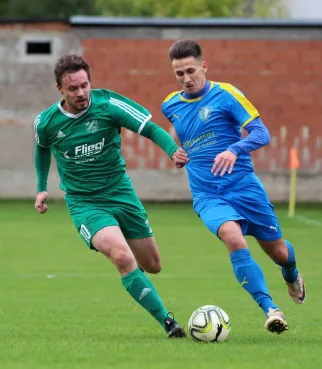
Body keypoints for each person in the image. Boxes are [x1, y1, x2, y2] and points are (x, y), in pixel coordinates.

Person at [33, 54, 189, 338]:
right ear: (60, 89)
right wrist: (42, 186)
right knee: (122, 257)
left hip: (120, 193)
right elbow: (42, 148)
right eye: (73, 88)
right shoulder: (47, 123)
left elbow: (150, 129)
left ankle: (136, 275)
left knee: (153, 265)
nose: (81, 93)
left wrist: (172, 151)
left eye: (84, 85)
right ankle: (168, 322)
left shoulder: (108, 105)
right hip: (84, 203)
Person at [161, 39, 305, 334]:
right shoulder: (170, 104)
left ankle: (290, 272)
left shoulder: (227, 95)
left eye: (190, 70)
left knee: (278, 252)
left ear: (204, 66)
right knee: (233, 237)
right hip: (207, 194)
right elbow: (176, 132)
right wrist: (174, 151)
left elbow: (261, 133)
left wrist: (234, 149)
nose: (186, 79)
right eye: (179, 74)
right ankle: (270, 308)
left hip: (244, 187)